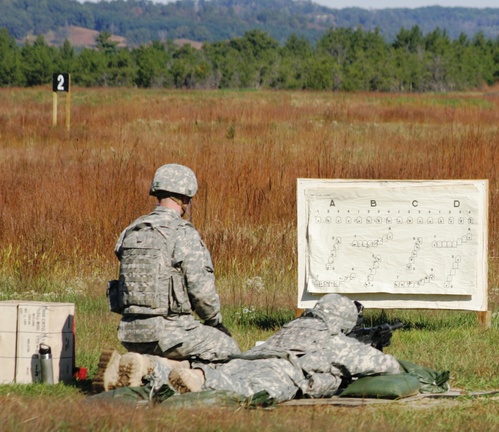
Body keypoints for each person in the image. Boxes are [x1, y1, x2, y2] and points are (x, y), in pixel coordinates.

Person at [104, 163, 240, 389]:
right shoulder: (182, 233)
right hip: (169, 331)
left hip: (130, 333)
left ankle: (139, 364)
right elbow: (202, 293)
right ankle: (159, 368)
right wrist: (214, 321)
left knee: (195, 350)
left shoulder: (132, 230)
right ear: (185, 199)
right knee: (229, 351)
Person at [163, 293, 404, 402]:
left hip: (246, 359)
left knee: (227, 374)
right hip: (280, 370)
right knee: (250, 393)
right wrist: (368, 347)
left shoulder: (294, 326)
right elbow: (388, 366)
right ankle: (200, 377)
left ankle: (155, 370)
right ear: (343, 322)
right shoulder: (334, 340)